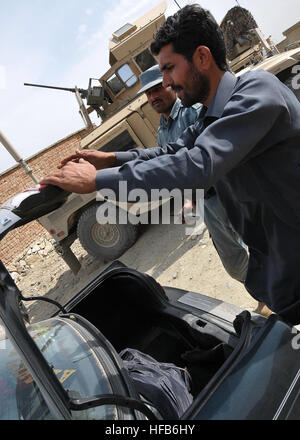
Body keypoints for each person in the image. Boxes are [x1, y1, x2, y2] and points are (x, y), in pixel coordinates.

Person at [40, 5, 300, 325]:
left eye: (169, 68)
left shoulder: (256, 92)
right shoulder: (210, 117)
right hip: (283, 272)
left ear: (202, 58)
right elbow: (171, 152)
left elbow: (194, 165)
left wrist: (99, 180)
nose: (166, 81)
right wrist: (110, 159)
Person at [139, 64, 249, 284]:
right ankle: (265, 296)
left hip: (227, 191)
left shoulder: (192, 109)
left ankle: (277, 297)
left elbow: (206, 158)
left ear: (169, 84)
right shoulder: (163, 128)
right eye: (148, 94)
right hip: (207, 204)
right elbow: (174, 168)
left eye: (157, 89)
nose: (153, 97)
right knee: (234, 263)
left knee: (260, 246)